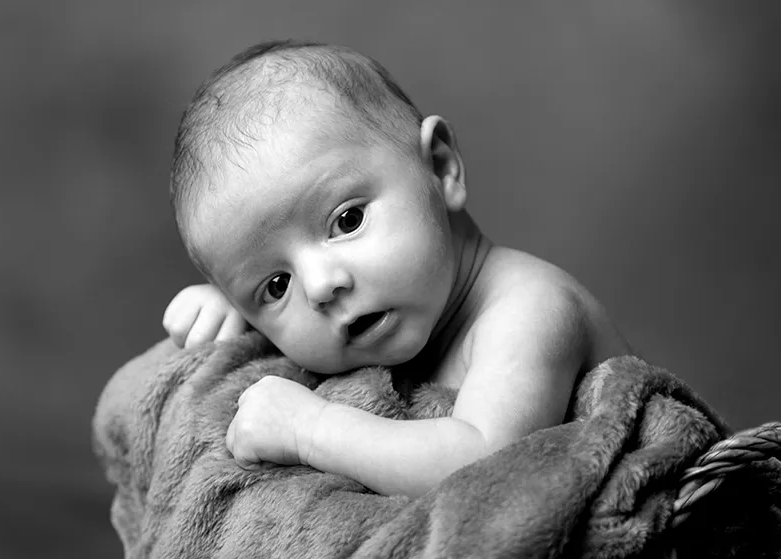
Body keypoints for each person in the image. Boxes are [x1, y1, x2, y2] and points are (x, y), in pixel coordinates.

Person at [162, 40, 631, 498]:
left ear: (442, 168)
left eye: (347, 220)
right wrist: (233, 314)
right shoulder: (397, 314)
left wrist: (310, 429)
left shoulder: (530, 311)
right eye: (276, 285)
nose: (321, 287)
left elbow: (485, 470)